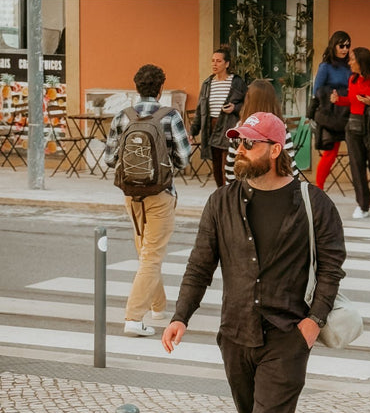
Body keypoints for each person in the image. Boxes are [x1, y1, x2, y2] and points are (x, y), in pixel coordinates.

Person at [162, 112, 345, 413]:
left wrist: (312, 322)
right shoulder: (222, 201)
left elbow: (332, 267)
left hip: (288, 333)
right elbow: (200, 264)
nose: (239, 151)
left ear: (276, 150)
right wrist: (180, 315)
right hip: (236, 332)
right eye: (238, 143)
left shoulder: (312, 202)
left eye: (249, 144)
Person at [104, 64, 190, 336]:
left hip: (131, 195)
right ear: (161, 88)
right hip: (161, 194)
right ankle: (133, 318)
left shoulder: (122, 116)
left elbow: (109, 158)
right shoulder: (171, 116)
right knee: (152, 256)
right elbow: (185, 159)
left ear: (136, 87)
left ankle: (158, 307)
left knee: (147, 252)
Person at [331, 47, 370, 219]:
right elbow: (352, 102)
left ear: (362, 62)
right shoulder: (352, 79)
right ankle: (363, 205)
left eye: (352, 59)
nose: (349, 62)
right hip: (354, 127)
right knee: (357, 167)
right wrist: (339, 100)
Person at [189, 46, 247, 187]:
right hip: (211, 128)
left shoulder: (237, 82)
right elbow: (200, 109)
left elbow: (247, 104)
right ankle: (221, 195)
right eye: (213, 61)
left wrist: (235, 108)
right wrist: (193, 132)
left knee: (227, 166)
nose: (214, 64)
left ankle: (229, 195)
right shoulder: (208, 84)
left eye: (218, 61)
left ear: (227, 64)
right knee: (216, 168)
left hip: (229, 126)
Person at [224, 79, 298, 181]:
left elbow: (230, 168)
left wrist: (231, 192)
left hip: (244, 187)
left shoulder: (239, 128)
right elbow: (290, 165)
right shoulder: (280, 128)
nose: (240, 149)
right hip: (276, 187)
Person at [309, 31, 351, 190]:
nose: (345, 49)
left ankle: (365, 197)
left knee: (358, 154)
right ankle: (318, 188)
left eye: (347, 46)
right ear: (333, 46)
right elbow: (317, 91)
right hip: (330, 115)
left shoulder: (349, 67)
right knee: (330, 154)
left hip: (347, 113)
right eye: (341, 45)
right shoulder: (325, 67)